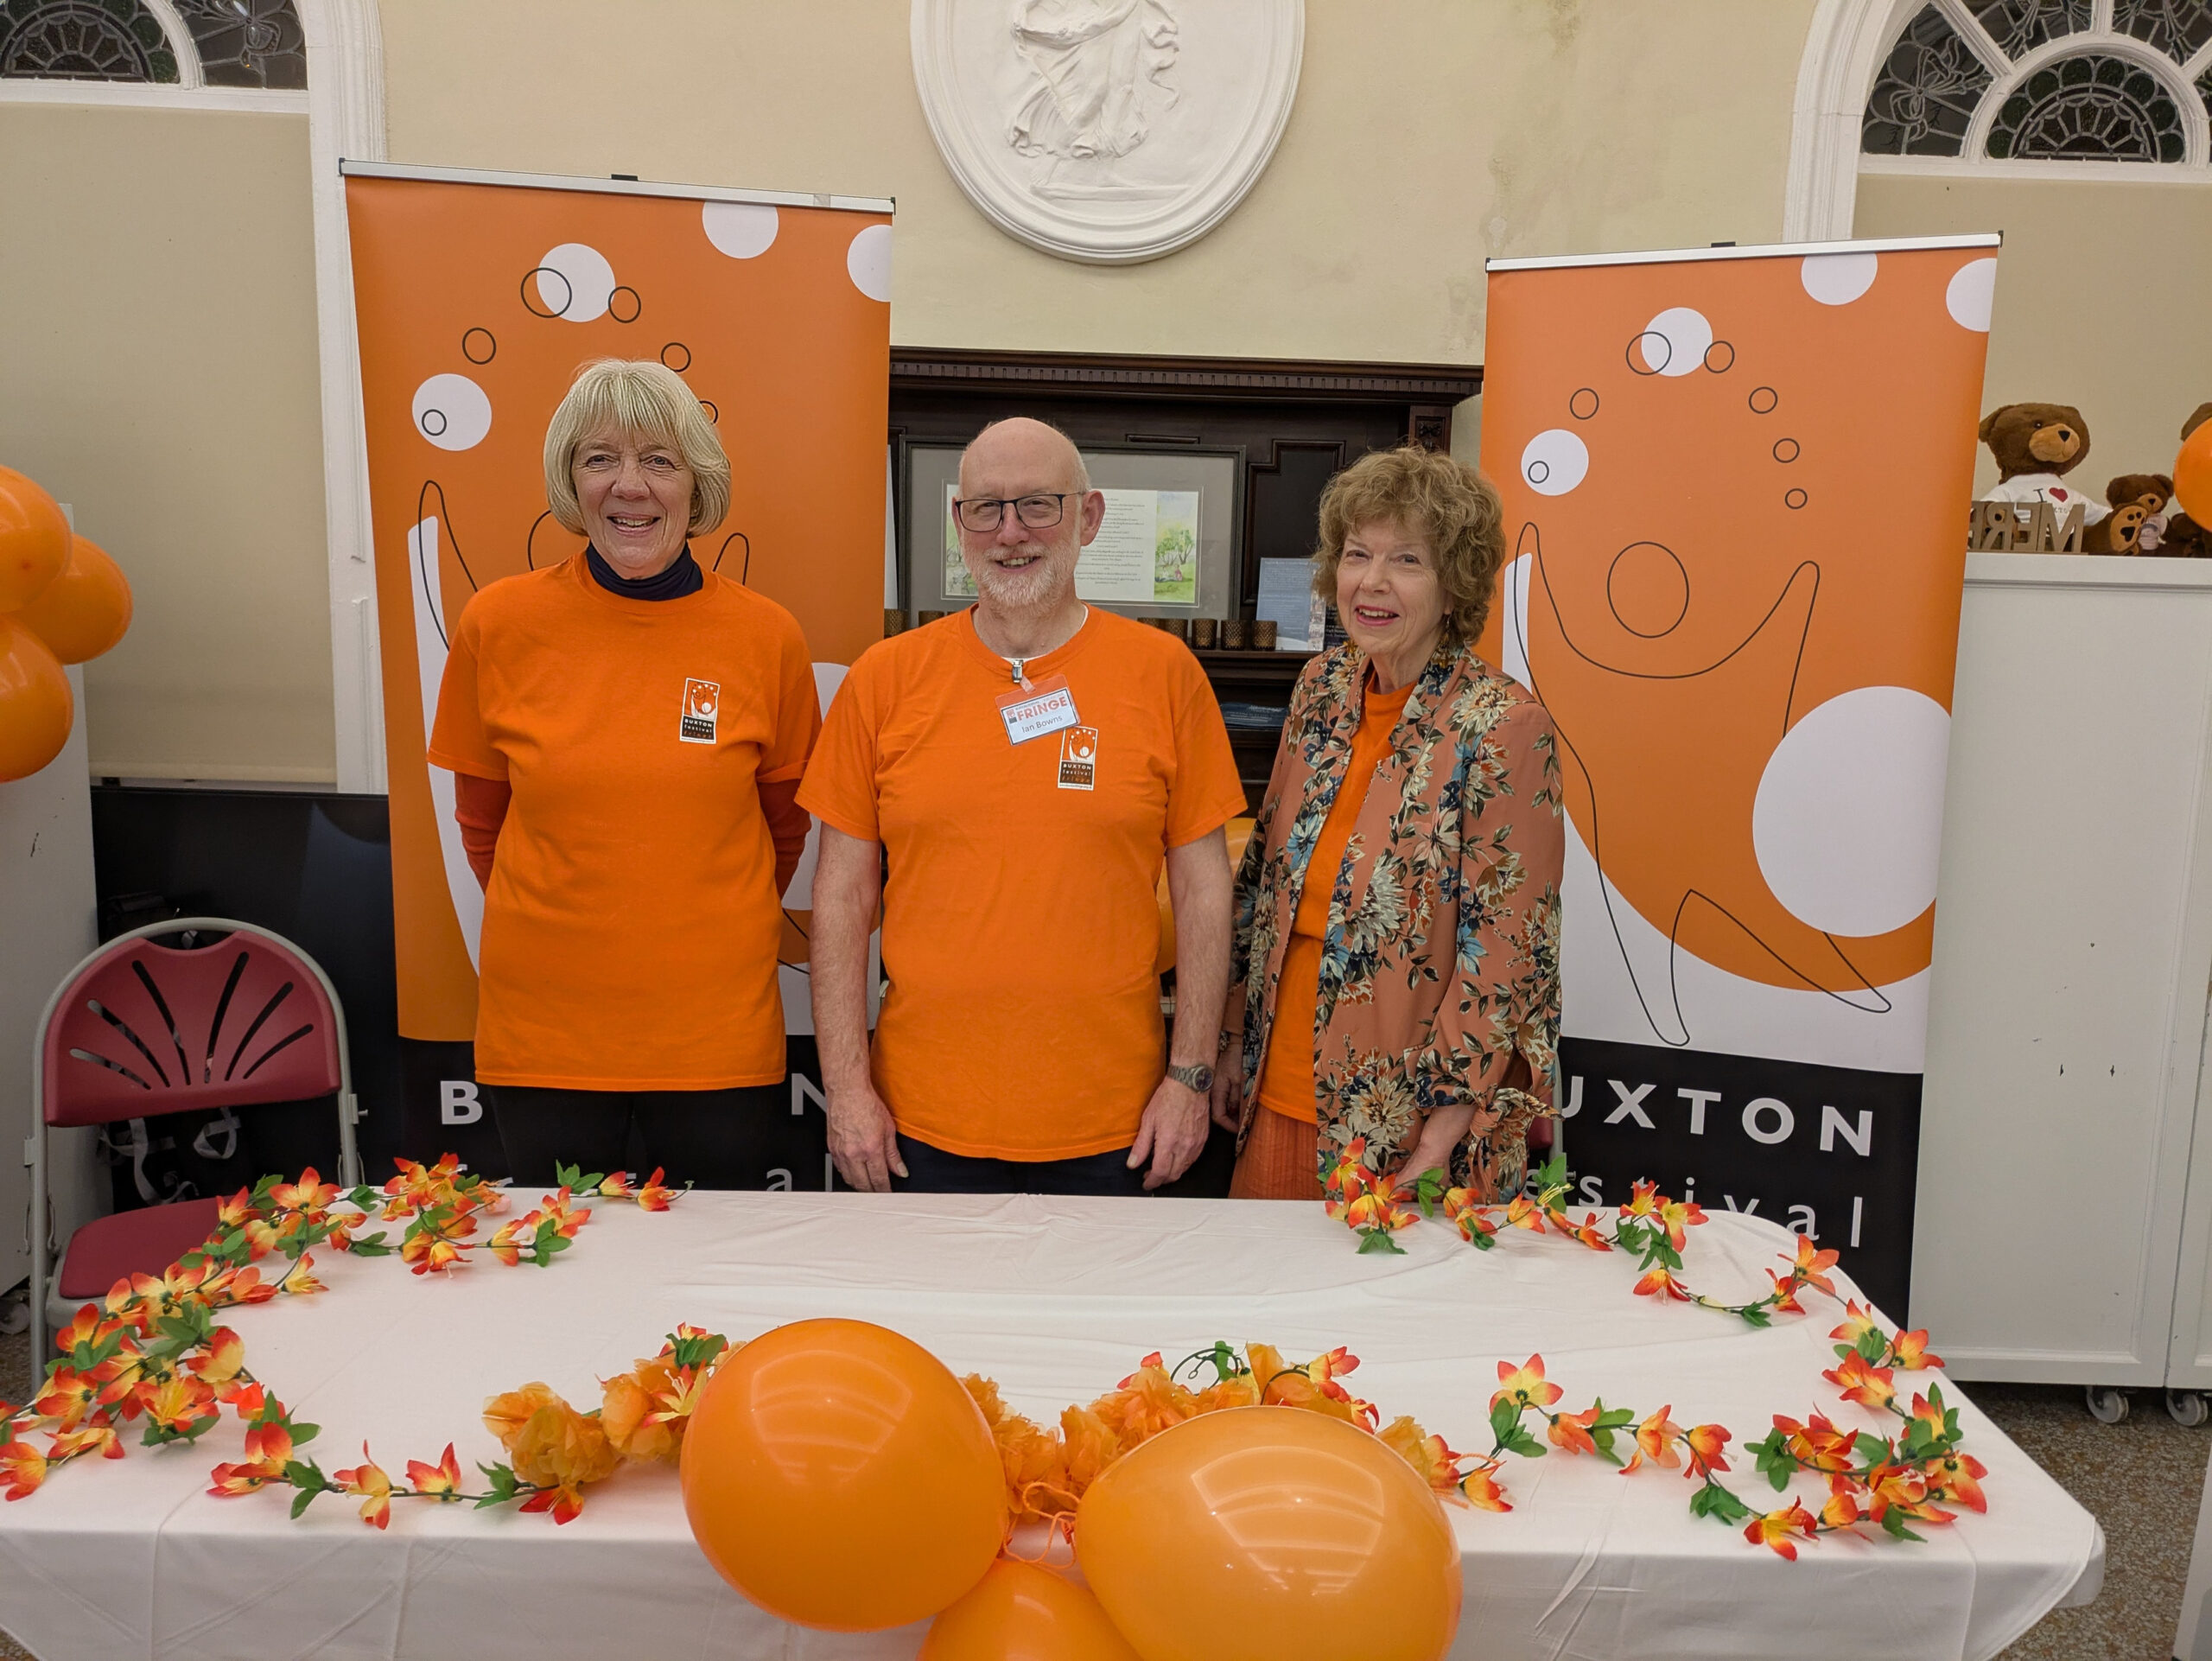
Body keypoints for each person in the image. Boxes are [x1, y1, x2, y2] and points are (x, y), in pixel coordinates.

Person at [801, 417, 1247, 1194]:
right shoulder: (884, 680)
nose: (1011, 532)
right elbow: (840, 898)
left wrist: (1192, 1077)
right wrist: (845, 1088)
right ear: (959, 525)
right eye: (987, 508)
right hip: (917, 1125)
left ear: (1090, 516)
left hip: (1122, 1126)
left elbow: (1205, 891)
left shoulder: (1164, 675)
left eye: (1038, 504)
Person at [427, 359, 819, 1187]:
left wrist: (692, 918)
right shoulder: (498, 624)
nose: (628, 486)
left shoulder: (767, 637)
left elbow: (785, 827)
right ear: (570, 481)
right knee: (563, 1280)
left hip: (716, 1037)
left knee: (709, 1283)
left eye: (659, 461)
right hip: (545, 1038)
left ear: (697, 483)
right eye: (599, 459)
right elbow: (481, 824)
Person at [1212, 445, 1563, 1202]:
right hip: (1277, 1093)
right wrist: (1234, 1039)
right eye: (1357, 554)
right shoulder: (1320, 687)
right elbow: (1264, 882)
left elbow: (1509, 955)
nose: (1371, 582)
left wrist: (1447, 1124)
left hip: (1411, 1117)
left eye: (1407, 560)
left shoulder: (1503, 724)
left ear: (1453, 587)